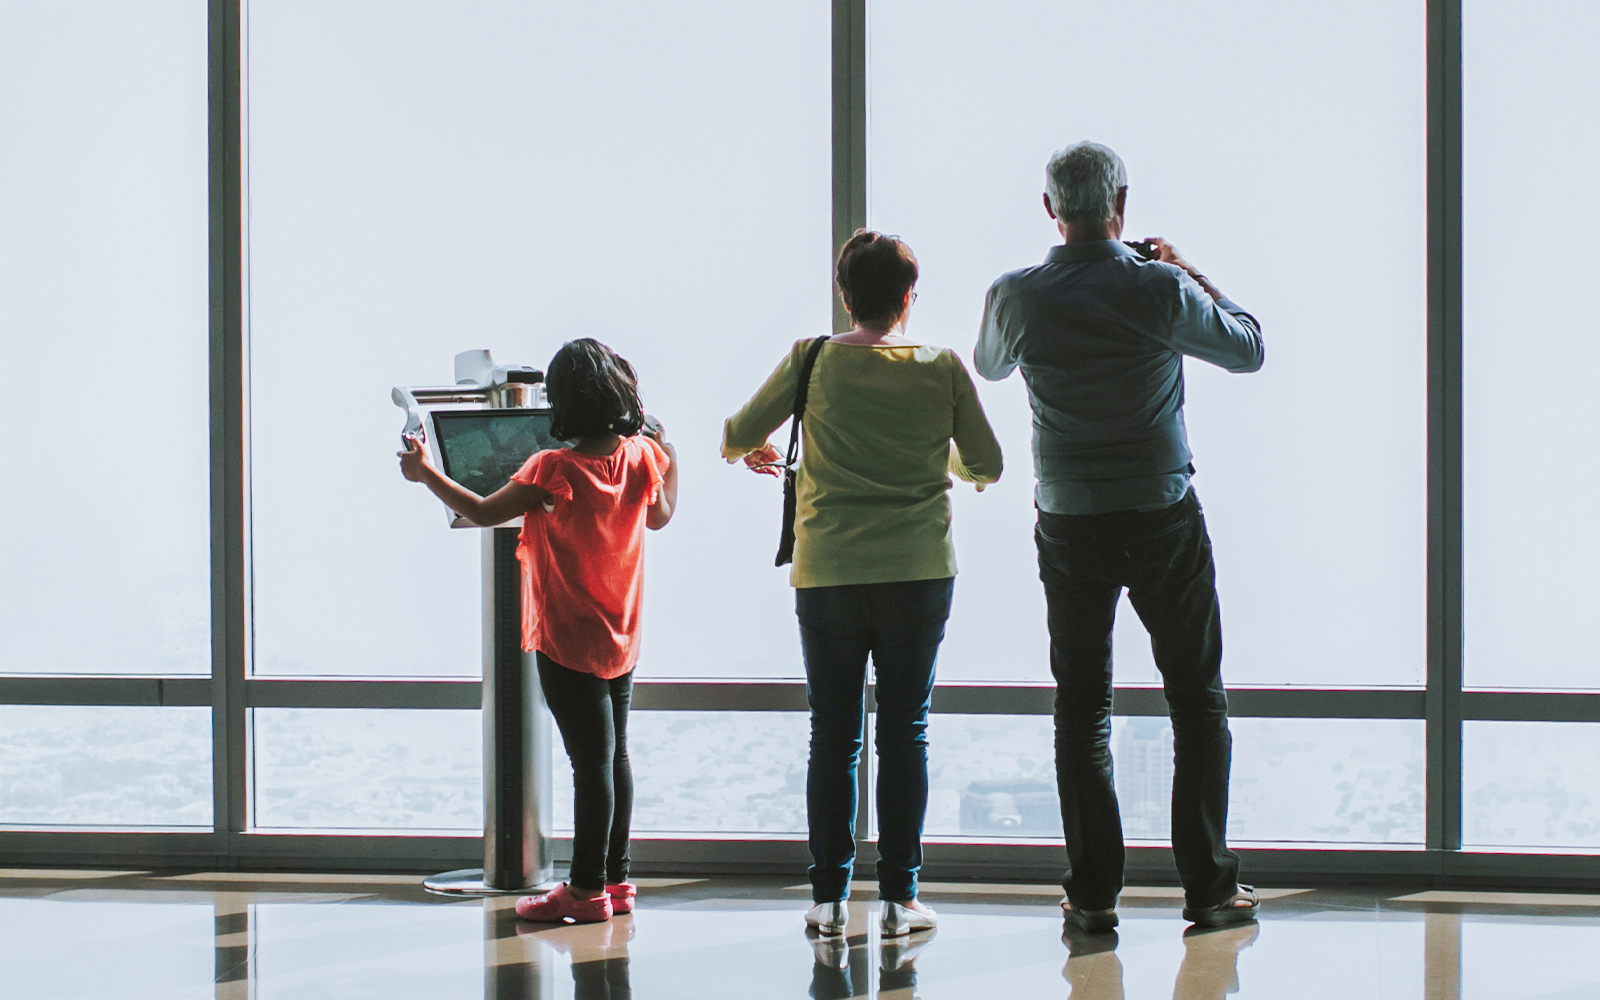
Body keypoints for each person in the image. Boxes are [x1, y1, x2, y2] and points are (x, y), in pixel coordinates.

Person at [974, 141, 1265, 932]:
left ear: (1049, 210)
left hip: (1070, 521)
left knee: (1082, 708)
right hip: (1162, 515)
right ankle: (1207, 886)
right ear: (1122, 205)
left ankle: (1094, 893)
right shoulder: (1160, 288)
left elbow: (991, 367)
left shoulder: (1017, 297)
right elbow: (1249, 348)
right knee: (1196, 701)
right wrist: (1187, 269)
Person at [724, 230, 1003, 938]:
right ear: (909, 297)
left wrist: (755, 450)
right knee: (905, 732)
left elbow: (734, 433)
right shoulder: (939, 367)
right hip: (917, 571)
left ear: (845, 295)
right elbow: (988, 463)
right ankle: (901, 900)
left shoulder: (810, 360)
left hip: (829, 576)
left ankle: (827, 900)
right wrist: (944, 461)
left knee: (834, 735)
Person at [398, 338, 678, 924]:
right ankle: (617, 882)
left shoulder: (552, 467)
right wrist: (671, 455)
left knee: (589, 765)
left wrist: (425, 473)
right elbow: (660, 514)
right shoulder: (642, 457)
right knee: (615, 759)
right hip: (621, 633)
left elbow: (480, 511)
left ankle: (582, 892)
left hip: (568, 639)